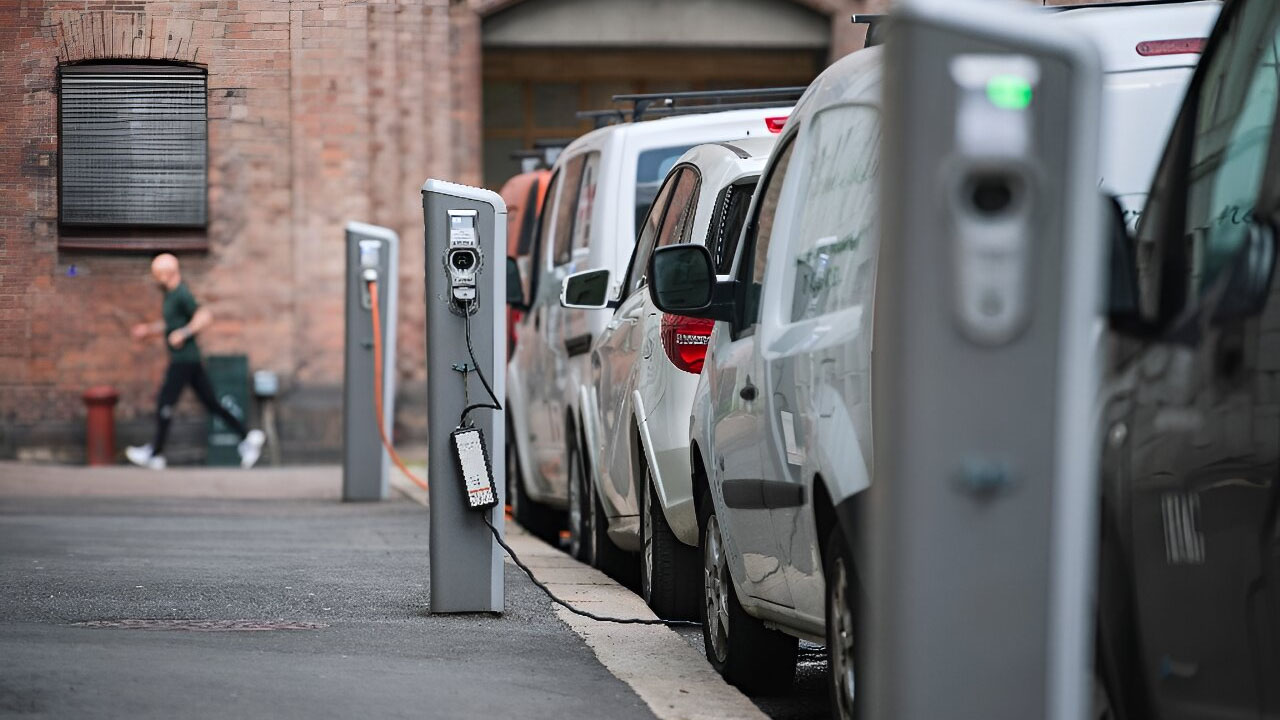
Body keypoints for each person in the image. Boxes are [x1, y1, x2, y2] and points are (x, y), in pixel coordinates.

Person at [125, 254, 265, 470]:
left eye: (157, 274)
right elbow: (171, 324)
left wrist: (184, 333)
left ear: (167, 273)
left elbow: (204, 315)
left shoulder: (181, 293)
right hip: (188, 360)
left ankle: (155, 453)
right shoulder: (170, 295)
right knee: (211, 403)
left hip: (184, 360)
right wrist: (149, 331)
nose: (155, 279)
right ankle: (247, 436)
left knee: (165, 402)